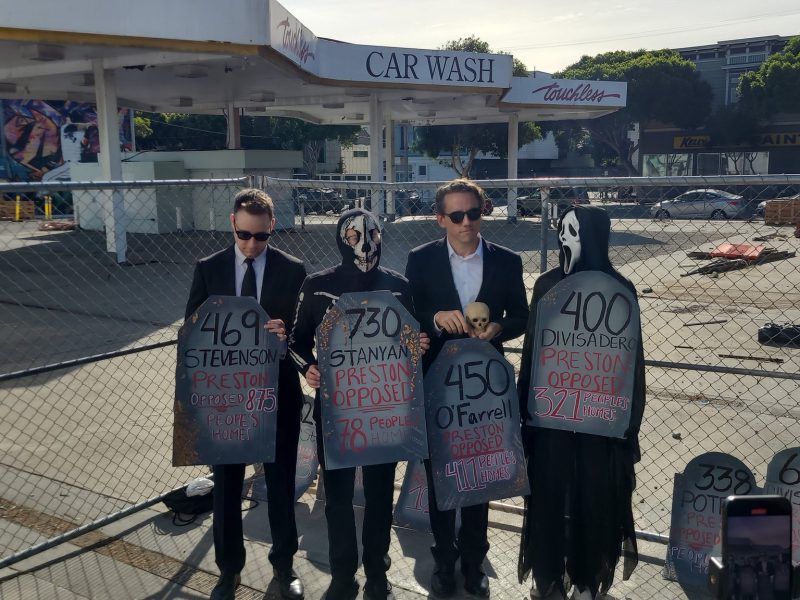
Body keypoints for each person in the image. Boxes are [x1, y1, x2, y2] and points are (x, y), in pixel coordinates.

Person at [289, 208, 429, 600]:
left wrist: (418, 345)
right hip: (336, 411)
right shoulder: (317, 286)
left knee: (381, 496)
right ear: (340, 239)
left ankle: (377, 572)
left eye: (373, 235)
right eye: (354, 237)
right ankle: (342, 573)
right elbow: (295, 341)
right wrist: (309, 369)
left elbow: (411, 341)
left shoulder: (399, 286)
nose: (366, 244)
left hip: (384, 410)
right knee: (336, 498)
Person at [404, 179, 529, 598]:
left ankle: (475, 563)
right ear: (440, 219)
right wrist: (436, 319)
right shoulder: (420, 260)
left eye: (473, 213)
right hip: (436, 383)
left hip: (484, 388)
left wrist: (499, 327)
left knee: (480, 474)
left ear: (482, 213)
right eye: (456, 215)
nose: (466, 223)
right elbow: (409, 315)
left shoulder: (507, 261)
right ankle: (444, 561)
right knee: (440, 476)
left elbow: (522, 316)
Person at [517, 206, 645, 600]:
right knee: (550, 493)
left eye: (574, 232)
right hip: (551, 415)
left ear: (592, 237)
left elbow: (631, 364)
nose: (565, 240)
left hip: (599, 419)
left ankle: (588, 578)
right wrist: (527, 410)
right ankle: (549, 575)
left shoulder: (619, 288)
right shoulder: (547, 285)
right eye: (562, 231)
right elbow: (533, 353)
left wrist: (628, 423)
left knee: (595, 495)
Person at [185, 188, 307, 600]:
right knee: (226, 485)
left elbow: (302, 335)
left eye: (261, 236)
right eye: (245, 235)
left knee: (281, 482)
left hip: (277, 392)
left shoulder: (293, 269)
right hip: (227, 397)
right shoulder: (209, 268)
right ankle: (228, 571)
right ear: (233, 225)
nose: (252, 245)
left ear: (272, 228)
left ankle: (284, 566)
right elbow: (192, 330)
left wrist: (285, 333)